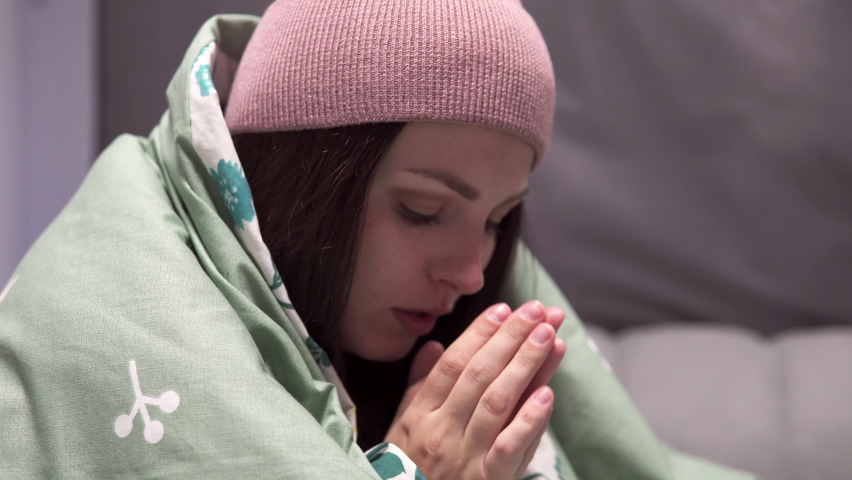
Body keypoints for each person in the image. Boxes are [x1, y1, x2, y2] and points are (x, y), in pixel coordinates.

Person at [0, 1, 755, 479]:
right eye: (423, 210)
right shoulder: (103, 317)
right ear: (297, 182)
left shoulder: (433, 334)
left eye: (497, 221)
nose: (472, 272)